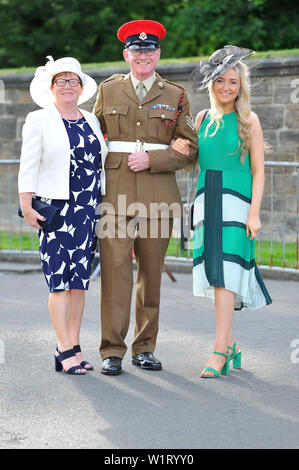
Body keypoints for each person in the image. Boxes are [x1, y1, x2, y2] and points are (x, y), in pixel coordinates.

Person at [93, 20, 198, 375]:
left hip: (159, 198)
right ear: (126, 55)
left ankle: (144, 347)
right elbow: (94, 137)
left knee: (151, 275)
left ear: (158, 54)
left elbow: (189, 147)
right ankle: (111, 350)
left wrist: (154, 158)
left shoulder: (176, 94)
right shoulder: (108, 90)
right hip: (115, 196)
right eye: (136, 51)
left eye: (148, 51)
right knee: (115, 272)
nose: (143, 56)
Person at [172, 45, 272, 378]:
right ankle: (231, 345)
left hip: (238, 201)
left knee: (228, 273)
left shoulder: (249, 120)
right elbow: (192, 166)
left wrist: (254, 213)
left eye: (232, 82)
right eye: (220, 81)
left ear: (240, 86)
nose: (226, 87)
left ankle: (218, 351)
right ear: (212, 84)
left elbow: (259, 170)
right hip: (206, 199)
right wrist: (180, 148)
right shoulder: (201, 118)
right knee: (216, 274)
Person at [18, 56, 107, 375]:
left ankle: (74, 345)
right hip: (57, 211)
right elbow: (27, 165)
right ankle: (62, 347)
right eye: (61, 81)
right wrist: (26, 205)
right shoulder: (39, 119)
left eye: (73, 81)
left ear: (82, 88)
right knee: (59, 282)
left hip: (87, 210)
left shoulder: (90, 119)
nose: (68, 86)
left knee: (80, 282)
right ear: (51, 87)